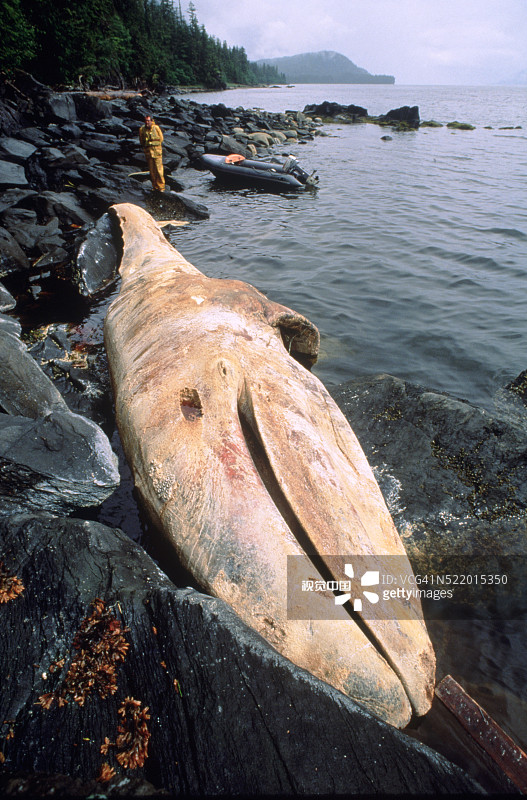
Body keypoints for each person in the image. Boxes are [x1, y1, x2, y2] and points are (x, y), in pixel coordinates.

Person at [139, 115, 165, 191]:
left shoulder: (156, 128)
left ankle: (161, 187)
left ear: (151, 121)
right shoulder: (142, 129)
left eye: (148, 120)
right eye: (146, 121)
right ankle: (155, 186)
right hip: (148, 152)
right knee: (152, 171)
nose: (147, 122)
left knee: (159, 170)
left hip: (157, 152)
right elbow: (141, 141)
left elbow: (161, 139)